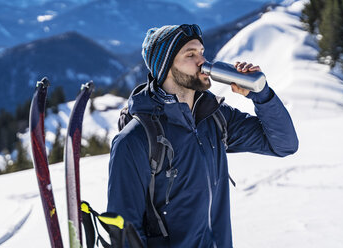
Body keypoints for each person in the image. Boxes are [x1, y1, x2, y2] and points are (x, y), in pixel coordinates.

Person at [107, 24, 298, 247]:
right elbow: (124, 231)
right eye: (191, 55)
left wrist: (262, 94)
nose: (203, 62)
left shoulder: (215, 118)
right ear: (166, 67)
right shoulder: (135, 139)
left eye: (202, 52)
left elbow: (284, 144)